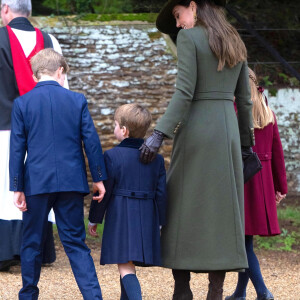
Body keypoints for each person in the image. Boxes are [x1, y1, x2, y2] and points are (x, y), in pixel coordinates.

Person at [139, 0, 255, 299]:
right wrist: (245, 145)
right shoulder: (235, 40)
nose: (178, 24)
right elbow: (244, 101)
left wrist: (159, 133)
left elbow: (184, 92)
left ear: (193, 6)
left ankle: (182, 289)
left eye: (178, 16)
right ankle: (215, 291)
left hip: (196, 131)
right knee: (223, 211)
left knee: (181, 205)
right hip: (227, 132)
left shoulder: (190, 38)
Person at [9, 48, 107, 300]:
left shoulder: (22, 103)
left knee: (31, 242)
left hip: (36, 183)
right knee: (75, 242)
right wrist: (98, 178)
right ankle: (93, 297)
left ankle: (28, 296)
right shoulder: (77, 100)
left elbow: (17, 148)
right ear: (60, 71)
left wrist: (17, 187)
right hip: (71, 181)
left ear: (34, 76)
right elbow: (92, 142)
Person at [0, 0, 68, 271]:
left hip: (3, 128)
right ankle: (38, 251)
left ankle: (5, 252)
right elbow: (64, 88)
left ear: (6, 8)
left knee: (6, 191)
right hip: (44, 132)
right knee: (38, 188)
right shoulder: (50, 41)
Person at [88, 103, 167, 300]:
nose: (114, 128)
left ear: (123, 130)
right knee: (127, 263)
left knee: (125, 265)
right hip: (148, 215)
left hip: (121, 214)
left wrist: (94, 219)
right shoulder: (157, 160)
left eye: (115, 125)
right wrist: (161, 222)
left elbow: (104, 191)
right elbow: (161, 194)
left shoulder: (112, 156)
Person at [225, 69, 288, 300]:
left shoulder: (233, 112)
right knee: (246, 239)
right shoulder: (268, 113)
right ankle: (240, 292)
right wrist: (280, 187)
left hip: (242, 179)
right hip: (261, 182)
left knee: (244, 243)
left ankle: (262, 291)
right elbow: (277, 154)